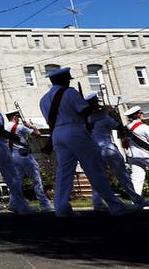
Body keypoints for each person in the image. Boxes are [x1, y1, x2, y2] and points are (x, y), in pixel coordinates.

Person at [39, 67, 139, 216]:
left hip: (57, 134)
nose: (68, 81)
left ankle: (61, 207)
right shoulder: (70, 92)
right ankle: (115, 206)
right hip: (75, 131)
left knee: (64, 172)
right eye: (67, 79)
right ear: (62, 80)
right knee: (95, 168)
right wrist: (101, 112)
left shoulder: (43, 99)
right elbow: (85, 113)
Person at [85, 97, 149, 210]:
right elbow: (118, 127)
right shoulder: (103, 117)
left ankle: (97, 202)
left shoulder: (86, 118)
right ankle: (137, 199)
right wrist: (113, 113)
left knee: (99, 177)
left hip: (95, 150)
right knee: (123, 175)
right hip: (108, 148)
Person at [4, 110, 54, 212]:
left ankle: (13, 203)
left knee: (17, 181)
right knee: (36, 179)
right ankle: (44, 204)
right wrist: (31, 126)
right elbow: (38, 134)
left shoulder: (5, 127)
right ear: (15, 117)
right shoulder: (20, 127)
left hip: (12, 155)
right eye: (18, 117)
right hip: (24, 155)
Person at [124, 106, 149, 196]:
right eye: (141, 113)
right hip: (147, 155)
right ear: (138, 115)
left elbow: (124, 145)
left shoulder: (125, 129)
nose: (143, 114)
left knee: (137, 179)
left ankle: (136, 202)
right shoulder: (144, 127)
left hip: (133, 157)